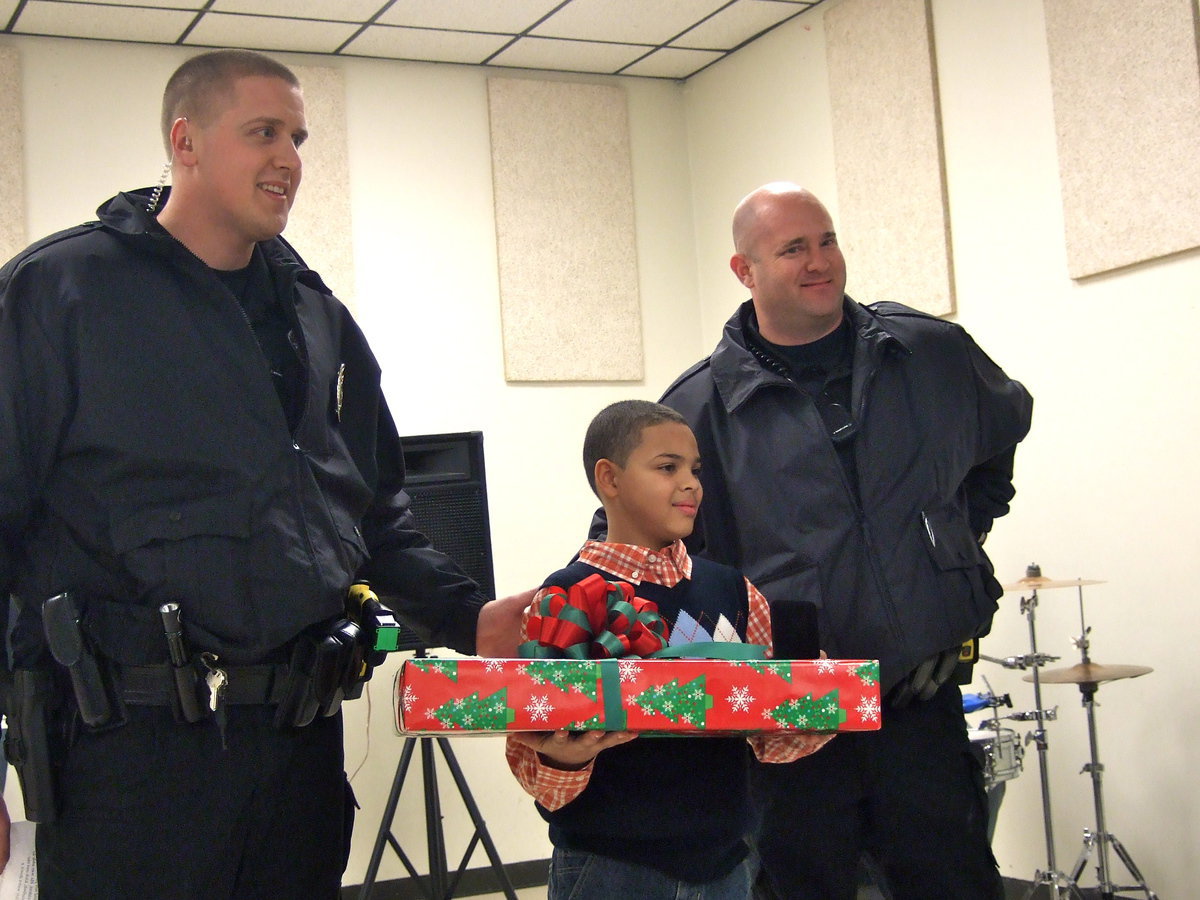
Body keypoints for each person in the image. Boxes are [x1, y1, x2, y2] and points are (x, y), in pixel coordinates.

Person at [0, 49, 524, 897]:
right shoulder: (61, 294)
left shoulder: (318, 318)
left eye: (300, 137)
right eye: (263, 132)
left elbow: (375, 514)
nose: (290, 158)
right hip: (127, 770)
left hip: (296, 758)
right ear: (187, 141)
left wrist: (473, 618)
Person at [652, 182, 1034, 899]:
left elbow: (998, 438)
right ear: (745, 270)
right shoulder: (695, 409)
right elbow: (662, 563)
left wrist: (952, 546)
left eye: (826, 240)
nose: (819, 261)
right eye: (792, 248)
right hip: (792, 725)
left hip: (920, 705)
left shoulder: (929, 351)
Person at [508, 400, 833, 900]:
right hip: (610, 867)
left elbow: (769, 738)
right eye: (667, 467)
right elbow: (537, 764)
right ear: (609, 479)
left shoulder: (736, 591)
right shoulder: (568, 597)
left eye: (695, 469)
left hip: (726, 862)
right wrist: (565, 760)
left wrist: (823, 700)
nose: (692, 483)